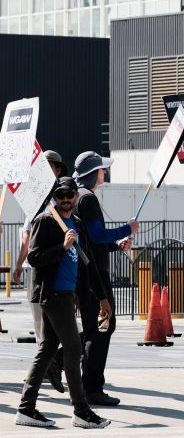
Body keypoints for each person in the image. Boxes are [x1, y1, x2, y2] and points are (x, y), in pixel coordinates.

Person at [16, 177, 111, 429]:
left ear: (76, 197)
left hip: (69, 295)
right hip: (52, 293)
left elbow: (88, 264)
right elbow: (34, 257)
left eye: (70, 195)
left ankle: (26, 409)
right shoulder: (45, 220)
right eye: (61, 195)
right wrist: (63, 245)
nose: (66, 199)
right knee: (73, 348)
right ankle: (81, 411)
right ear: (55, 197)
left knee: (47, 349)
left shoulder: (76, 223)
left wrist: (102, 297)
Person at [73, 151, 138, 406]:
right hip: (95, 275)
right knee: (102, 328)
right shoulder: (88, 199)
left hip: (87, 271)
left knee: (96, 328)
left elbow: (91, 240)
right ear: (93, 173)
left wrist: (116, 244)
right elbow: (98, 236)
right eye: (102, 169)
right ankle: (91, 386)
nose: (105, 172)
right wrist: (126, 229)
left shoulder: (80, 197)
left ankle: (74, 373)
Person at [14, 150, 69, 393]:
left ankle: (49, 367)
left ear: (58, 170)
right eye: (43, 166)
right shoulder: (35, 199)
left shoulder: (61, 197)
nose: (48, 171)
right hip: (39, 271)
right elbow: (28, 238)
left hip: (60, 270)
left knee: (59, 331)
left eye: (52, 167)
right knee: (42, 329)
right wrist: (18, 264)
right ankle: (44, 370)